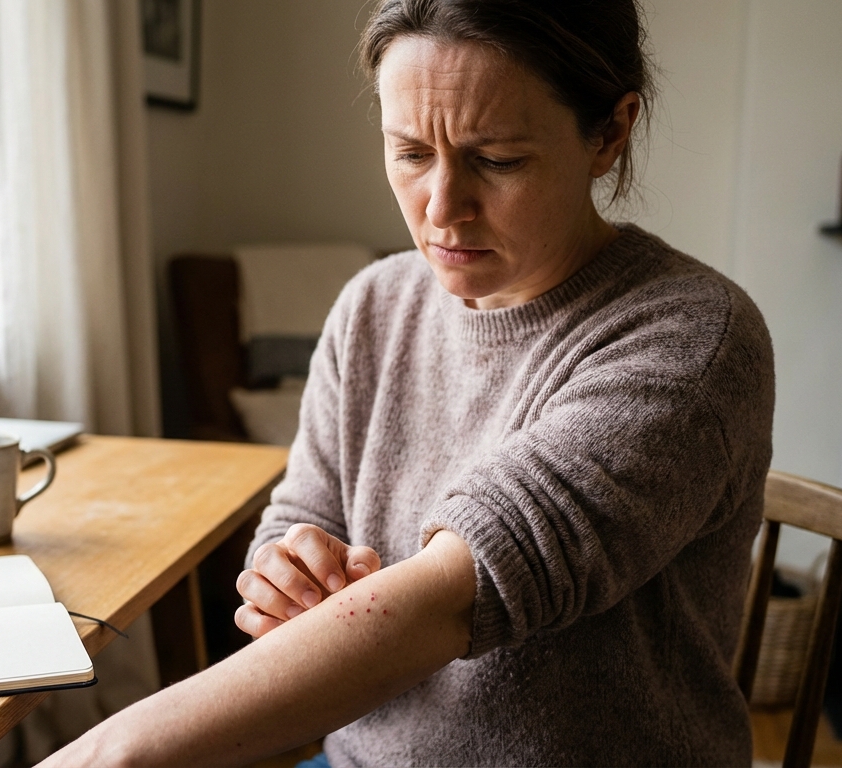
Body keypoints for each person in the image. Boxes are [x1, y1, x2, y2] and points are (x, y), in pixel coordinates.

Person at [44, 0, 773, 765]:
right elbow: (298, 513)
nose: (441, 208)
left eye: (497, 160)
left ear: (610, 132)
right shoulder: (374, 305)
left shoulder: (693, 336)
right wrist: (284, 575)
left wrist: (109, 753)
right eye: (411, 153)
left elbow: (458, 594)